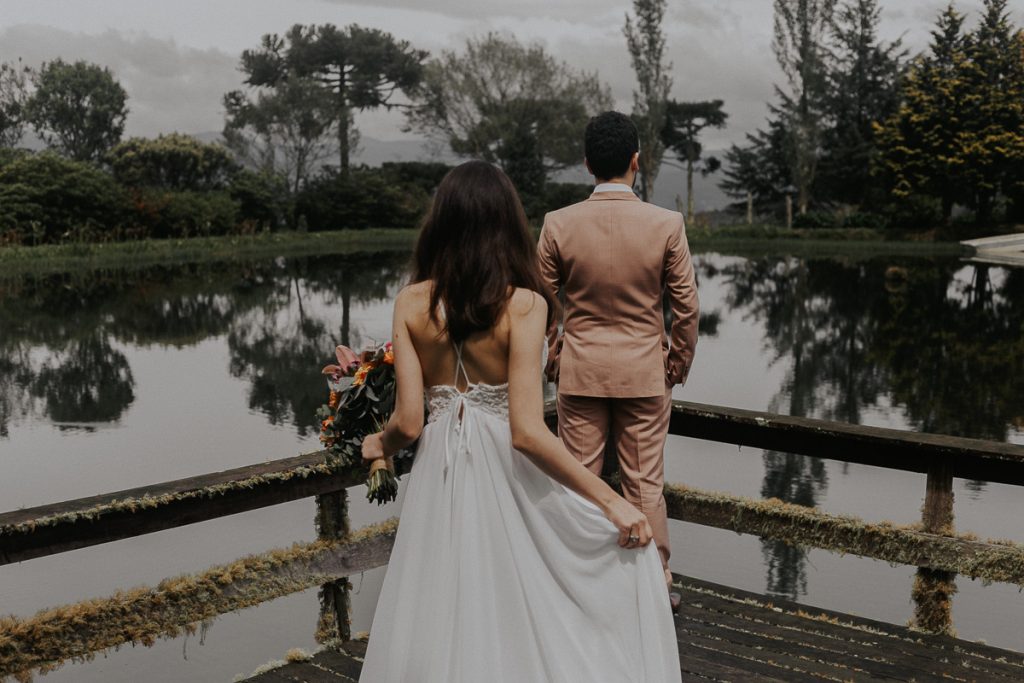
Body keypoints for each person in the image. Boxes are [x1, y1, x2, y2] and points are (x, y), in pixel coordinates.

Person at [359, 160, 681, 682]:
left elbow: (410, 422)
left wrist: (376, 443)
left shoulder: (411, 302)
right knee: (514, 580)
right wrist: (613, 502)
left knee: (441, 590)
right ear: (507, 224)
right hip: (504, 465)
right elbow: (528, 433)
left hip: (440, 469)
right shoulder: (526, 305)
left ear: (440, 222)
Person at [537, 111, 699, 611]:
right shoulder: (666, 224)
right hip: (645, 373)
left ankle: (578, 581)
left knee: (581, 476)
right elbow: (686, 306)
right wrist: (676, 363)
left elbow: (538, 298)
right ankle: (658, 580)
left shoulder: (558, 224)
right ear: (636, 161)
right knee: (644, 481)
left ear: (587, 164)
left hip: (580, 371)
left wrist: (555, 345)